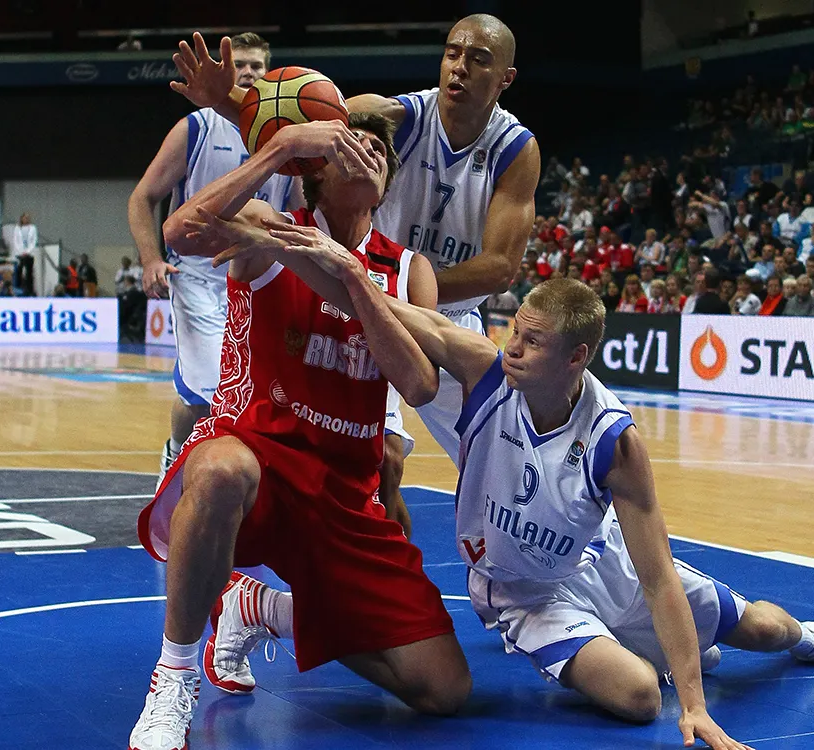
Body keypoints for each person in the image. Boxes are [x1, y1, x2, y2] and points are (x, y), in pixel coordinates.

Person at [212, 253, 814, 750]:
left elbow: (658, 573)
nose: (513, 347)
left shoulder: (614, 441)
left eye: (532, 342)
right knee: (637, 698)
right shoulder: (484, 371)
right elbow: (381, 302)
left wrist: (695, 708)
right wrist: (301, 249)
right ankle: (261, 607)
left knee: (765, 631)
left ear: (576, 358)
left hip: (603, 566)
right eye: (515, 330)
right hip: (524, 593)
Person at [128, 114, 466, 750]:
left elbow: (420, 384)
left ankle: (262, 609)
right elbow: (181, 230)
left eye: (377, 151)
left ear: (389, 179)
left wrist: (354, 280)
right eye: (348, 146)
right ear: (315, 169)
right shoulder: (268, 226)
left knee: (441, 689)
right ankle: (173, 675)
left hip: (345, 495)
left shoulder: (408, 269)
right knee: (219, 467)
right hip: (260, 458)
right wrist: (279, 147)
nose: (365, 154)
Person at [170, 13, 539, 549]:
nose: (459, 67)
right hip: (354, 287)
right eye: (453, 53)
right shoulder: (401, 115)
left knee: (508, 453)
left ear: (505, 77)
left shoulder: (514, 148)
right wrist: (227, 103)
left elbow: (501, 267)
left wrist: (413, 289)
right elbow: (307, 135)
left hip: (428, 308)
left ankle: (550, 564)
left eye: (478, 59)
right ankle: (312, 574)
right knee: (382, 461)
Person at [130, 31, 301, 490]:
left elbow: (304, 214)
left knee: (268, 393)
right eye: (239, 63)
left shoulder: (286, 133)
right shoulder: (197, 127)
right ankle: (177, 460)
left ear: (272, 76)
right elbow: (143, 196)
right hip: (201, 278)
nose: (247, 72)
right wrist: (150, 260)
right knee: (206, 394)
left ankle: (253, 487)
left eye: (257, 66)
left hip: (263, 278)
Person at [12, 213, 38, 295]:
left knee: (29, 273)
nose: (26, 219)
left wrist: (27, 251)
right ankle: (18, 289)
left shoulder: (33, 228)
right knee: (19, 271)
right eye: (25, 218)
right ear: (22, 218)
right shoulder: (17, 228)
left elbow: (34, 241)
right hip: (19, 254)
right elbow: (16, 241)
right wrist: (21, 251)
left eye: (28, 218)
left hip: (29, 254)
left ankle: (29, 290)